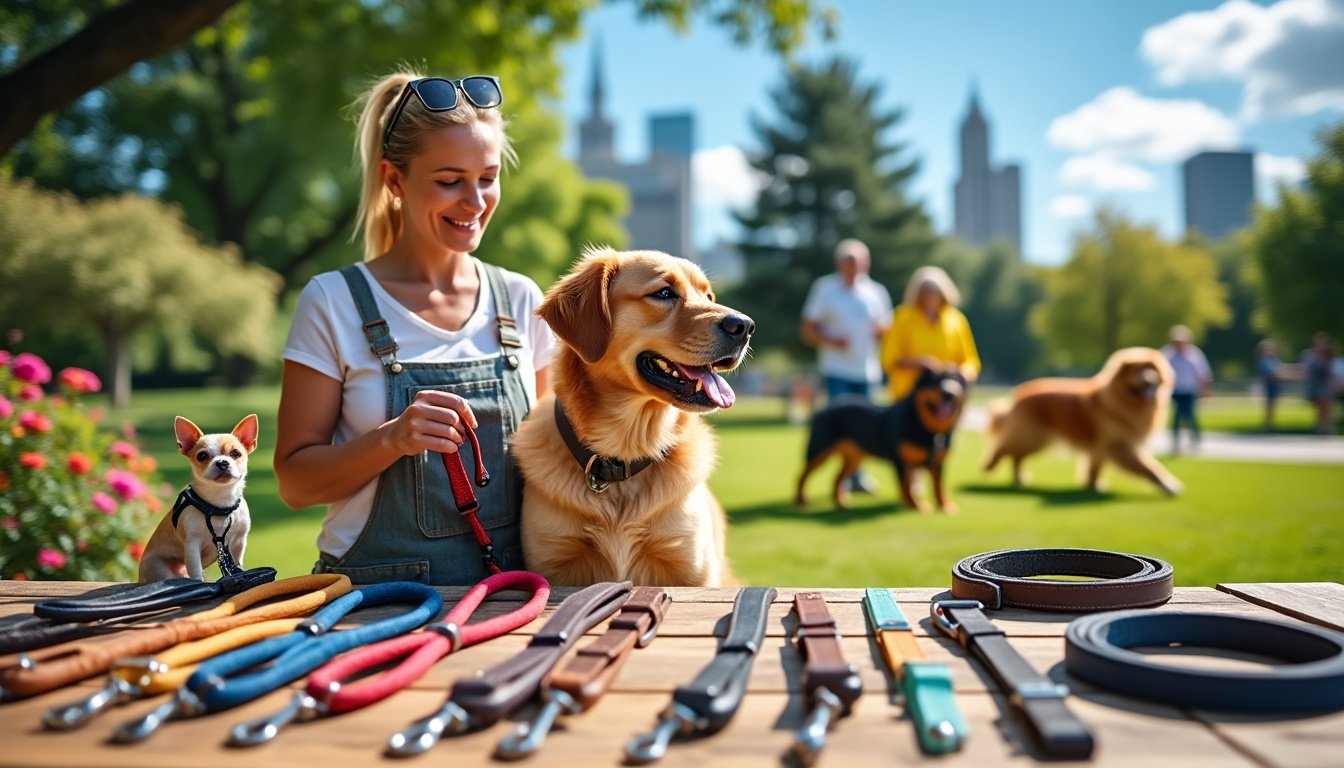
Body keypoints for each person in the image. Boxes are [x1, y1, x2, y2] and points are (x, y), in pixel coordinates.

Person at [274, 72, 554, 585]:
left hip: (512, 599)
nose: (475, 202)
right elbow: (295, 483)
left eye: (487, 177)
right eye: (449, 181)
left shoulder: (521, 299)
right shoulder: (332, 302)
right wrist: (391, 440)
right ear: (394, 180)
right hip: (373, 600)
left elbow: (556, 459)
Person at [800, 239, 893, 493]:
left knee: (866, 430)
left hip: (867, 371)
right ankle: (843, 479)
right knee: (840, 429)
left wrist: (881, 330)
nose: (855, 267)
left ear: (867, 263)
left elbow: (887, 326)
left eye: (859, 262)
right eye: (849, 262)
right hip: (837, 370)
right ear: (839, 264)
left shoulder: (877, 292)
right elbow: (808, 330)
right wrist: (831, 340)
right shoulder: (825, 289)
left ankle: (857, 477)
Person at [881, 266, 980, 401]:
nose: (931, 297)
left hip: (944, 399)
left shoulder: (956, 320)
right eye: (926, 292)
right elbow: (889, 360)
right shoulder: (903, 317)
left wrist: (960, 374)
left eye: (935, 292)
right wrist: (920, 363)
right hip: (907, 397)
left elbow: (971, 361)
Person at [1161, 325, 1212, 454]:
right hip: (1175, 390)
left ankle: (1195, 439)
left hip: (1189, 389)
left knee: (1190, 415)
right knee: (1177, 416)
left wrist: (1205, 389)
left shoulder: (1195, 354)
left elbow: (1203, 373)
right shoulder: (1168, 354)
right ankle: (1176, 441)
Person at [1301, 332, 1336, 435]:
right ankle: (1320, 426)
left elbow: (1330, 371)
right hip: (1315, 383)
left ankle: (1326, 426)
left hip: (1324, 382)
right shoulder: (1310, 356)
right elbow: (1306, 370)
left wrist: (1334, 383)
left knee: (1327, 405)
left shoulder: (1327, 356)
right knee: (1320, 405)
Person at [1255, 339, 1288, 433]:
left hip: (1273, 385)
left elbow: (1279, 370)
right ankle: (1267, 426)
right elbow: (1272, 374)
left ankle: (1270, 425)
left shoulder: (1273, 360)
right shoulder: (1264, 360)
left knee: (1272, 406)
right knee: (1269, 406)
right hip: (1268, 385)